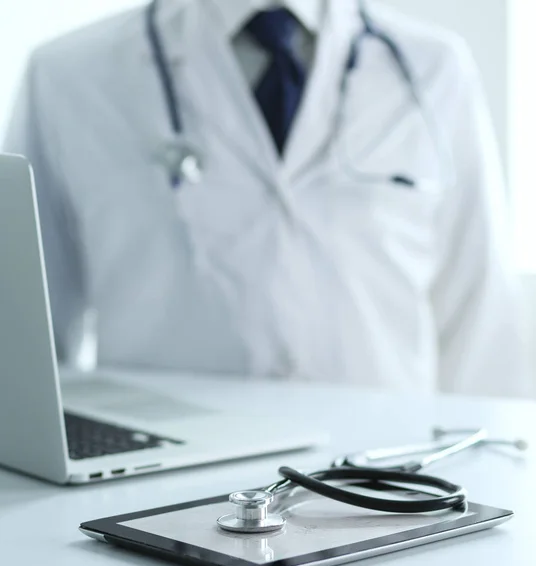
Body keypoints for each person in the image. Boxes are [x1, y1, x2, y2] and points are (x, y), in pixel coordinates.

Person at [2, 0, 529, 396]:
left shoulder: (433, 68)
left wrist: (480, 482)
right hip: (159, 483)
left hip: (385, 476)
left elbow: (478, 310)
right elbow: (27, 331)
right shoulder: (70, 75)